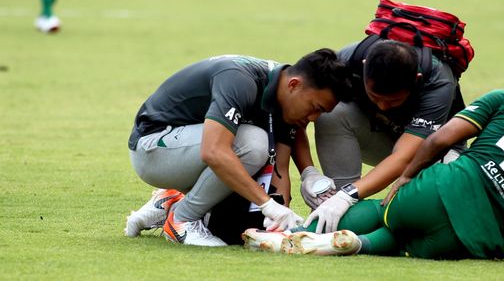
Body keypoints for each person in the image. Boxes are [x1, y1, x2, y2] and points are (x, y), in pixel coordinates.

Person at [246, 65, 504, 261]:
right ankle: (355, 244)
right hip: (477, 244)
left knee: (385, 212)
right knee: (406, 240)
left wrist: (405, 179)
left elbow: (439, 139)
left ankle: (295, 234)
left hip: (439, 192)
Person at [125, 49, 353, 246]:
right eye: (315, 107)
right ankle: (182, 219)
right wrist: (267, 205)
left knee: (238, 219)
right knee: (252, 143)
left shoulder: (283, 92)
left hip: (182, 149)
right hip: (151, 149)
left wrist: (280, 222)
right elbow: (213, 151)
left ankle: (170, 199)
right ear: (294, 85)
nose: (313, 118)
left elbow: (279, 170)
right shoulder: (239, 80)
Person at [302, 38, 461, 234]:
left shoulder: (438, 80)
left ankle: (347, 200)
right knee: (331, 113)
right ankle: (337, 210)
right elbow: (300, 106)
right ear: (364, 67)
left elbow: (404, 157)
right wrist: (308, 172)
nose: (383, 106)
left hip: (432, 152)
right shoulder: (347, 60)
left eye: (394, 100)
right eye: (375, 96)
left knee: (435, 213)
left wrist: (348, 195)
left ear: (416, 79)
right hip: (380, 134)